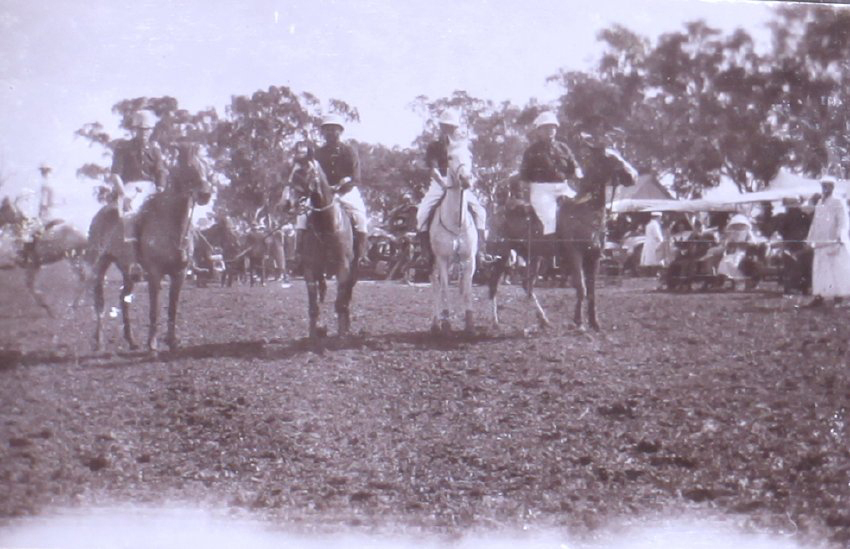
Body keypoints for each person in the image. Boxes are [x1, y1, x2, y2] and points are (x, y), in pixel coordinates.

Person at [416, 110, 488, 265]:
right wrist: (443, 183)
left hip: (460, 184)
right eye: (445, 126)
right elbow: (433, 169)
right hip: (440, 182)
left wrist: (470, 180)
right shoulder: (435, 146)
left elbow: (469, 168)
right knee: (422, 213)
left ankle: (480, 250)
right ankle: (425, 251)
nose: (448, 130)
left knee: (480, 211)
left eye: (451, 127)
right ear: (441, 127)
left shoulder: (463, 146)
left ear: (456, 127)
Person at [513, 111, 583, 236]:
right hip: (542, 190)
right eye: (545, 128)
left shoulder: (563, 147)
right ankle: (551, 253)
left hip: (563, 187)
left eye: (552, 127)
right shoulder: (531, 151)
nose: (549, 130)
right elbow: (524, 177)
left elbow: (574, 165)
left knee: (580, 208)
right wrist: (525, 198)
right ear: (538, 131)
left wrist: (578, 173)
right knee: (550, 220)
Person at [315, 114, 370, 265]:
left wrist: (340, 188)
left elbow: (355, 177)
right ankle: (300, 252)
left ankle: (361, 254)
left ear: (340, 132)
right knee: (302, 217)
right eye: (327, 130)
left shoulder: (349, 151)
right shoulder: (318, 153)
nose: (330, 133)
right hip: (323, 194)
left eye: (334, 130)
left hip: (346, 192)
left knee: (361, 218)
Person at [108, 110, 168, 245]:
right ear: (135, 129)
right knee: (130, 215)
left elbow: (161, 171)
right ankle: (133, 254)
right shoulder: (123, 148)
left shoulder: (154, 149)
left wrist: (161, 187)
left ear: (151, 130)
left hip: (151, 188)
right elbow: (115, 174)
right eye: (140, 129)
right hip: (129, 188)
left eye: (147, 129)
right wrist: (123, 195)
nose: (144, 133)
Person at [806, 177, 850, 306]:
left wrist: (839, 237)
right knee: (820, 270)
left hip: (834, 241)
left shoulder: (838, 201)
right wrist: (810, 239)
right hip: (820, 242)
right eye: (823, 185)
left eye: (827, 186)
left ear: (832, 187)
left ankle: (839, 296)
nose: (825, 188)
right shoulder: (820, 202)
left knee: (836, 270)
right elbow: (815, 223)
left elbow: (843, 222)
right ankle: (819, 296)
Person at [640, 212, 665, 276]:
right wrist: (662, 241)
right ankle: (654, 274)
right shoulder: (655, 224)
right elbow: (658, 235)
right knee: (655, 260)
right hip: (654, 244)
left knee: (650, 260)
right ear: (658, 217)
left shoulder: (648, 224)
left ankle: (650, 274)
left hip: (649, 243)